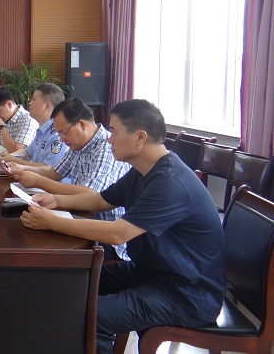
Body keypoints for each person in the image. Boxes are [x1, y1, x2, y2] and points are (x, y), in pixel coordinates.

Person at [20, 100, 226, 354]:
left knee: (88, 316)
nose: (109, 139)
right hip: (153, 273)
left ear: (140, 137)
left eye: (114, 132)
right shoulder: (143, 171)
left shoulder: (170, 182)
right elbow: (100, 200)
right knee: (72, 278)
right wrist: (56, 201)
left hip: (186, 294)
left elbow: (118, 233)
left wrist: (52, 222)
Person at [8, 97, 131, 260]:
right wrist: (25, 169)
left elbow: (91, 194)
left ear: (81, 125)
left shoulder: (106, 148)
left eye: (63, 133)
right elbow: (55, 171)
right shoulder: (79, 145)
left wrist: (38, 181)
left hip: (103, 236)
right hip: (79, 218)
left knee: (45, 253)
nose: (61, 139)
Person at [0, 83, 69, 169]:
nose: (29, 103)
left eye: (34, 99)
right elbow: (28, 153)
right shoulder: (41, 130)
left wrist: (15, 161)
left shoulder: (58, 134)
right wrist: (6, 156)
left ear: (46, 106)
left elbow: (49, 168)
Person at [0, 86, 38, 153]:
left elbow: (16, 151)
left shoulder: (28, 120)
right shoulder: (5, 119)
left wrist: (1, 128)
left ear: (9, 104)